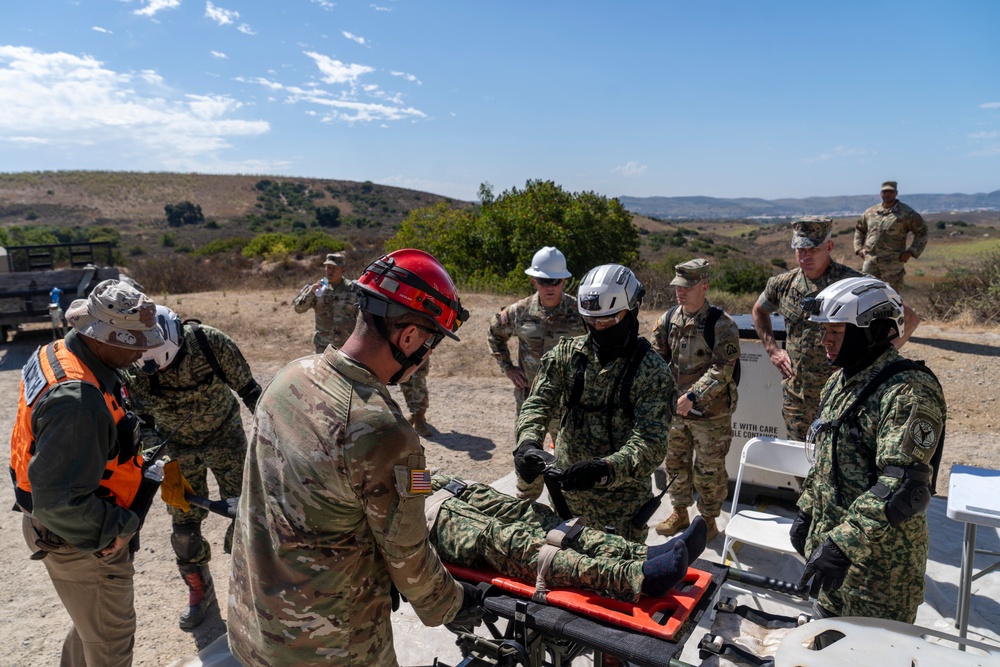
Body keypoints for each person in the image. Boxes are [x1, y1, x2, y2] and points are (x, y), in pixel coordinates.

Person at [228, 249, 481, 667]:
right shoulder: (383, 431)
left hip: (254, 625)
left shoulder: (290, 376)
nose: (428, 355)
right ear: (409, 337)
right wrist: (453, 603)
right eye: (431, 341)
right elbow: (407, 553)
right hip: (329, 647)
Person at [10, 279, 165, 667]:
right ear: (100, 336)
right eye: (134, 340)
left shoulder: (58, 351)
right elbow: (59, 501)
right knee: (110, 645)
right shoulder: (79, 402)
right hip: (80, 536)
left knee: (92, 628)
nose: (144, 348)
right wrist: (118, 527)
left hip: (61, 528)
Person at [791, 277, 945, 624]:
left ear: (871, 331)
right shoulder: (840, 381)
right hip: (835, 568)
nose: (824, 340)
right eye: (824, 329)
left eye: (836, 331)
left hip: (881, 581)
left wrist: (843, 543)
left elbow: (902, 485)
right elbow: (825, 460)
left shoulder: (908, 391)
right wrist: (805, 511)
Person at [514, 264, 676, 544]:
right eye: (592, 321)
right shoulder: (566, 355)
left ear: (632, 309)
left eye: (609, 321)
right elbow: (538, 403)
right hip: (566, 501)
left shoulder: (652, 371)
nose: (599, 328)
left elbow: (651, 443)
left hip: (622, 511)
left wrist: (606, 469)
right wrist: (528, 442)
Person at [123, 305, 262, 629]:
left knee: (247, 519)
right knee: (184, 530)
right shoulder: (136, 362)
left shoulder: (211, 343)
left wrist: (276, 439)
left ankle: (251, 590)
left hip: (226, 439)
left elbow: (251, 392)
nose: (161, 374)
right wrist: (161, 460)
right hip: (177, 449)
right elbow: (142, 422)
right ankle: (199, 590)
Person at [428, 474, 708, 601]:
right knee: (504, 538)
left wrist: (430, 482)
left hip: (426, 487)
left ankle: (639, 554)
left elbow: (400, 473)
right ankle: (634, 577)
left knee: (535, 515)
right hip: (409, 514)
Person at [752, 216, 868, 442]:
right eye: (800, 249)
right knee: (798, 465)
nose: (805, 256)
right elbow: (758, 311)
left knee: (838, 465)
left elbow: (905, 317)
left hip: (841, 396)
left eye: (813, 249)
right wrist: (772, 350)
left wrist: (867, 364)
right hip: (797, 398)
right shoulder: (783, 284)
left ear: (829, 247)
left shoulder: (852, 284)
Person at [487, 246, 586, 498]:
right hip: (529, 400)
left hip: (567, 404)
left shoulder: (580, 312)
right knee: (527, 457)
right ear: (534, 280)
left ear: (565, 280)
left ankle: (565, 511)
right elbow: (494, 333)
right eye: (543, 281)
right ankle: (528, 508)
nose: (549, 287)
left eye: (555, 281)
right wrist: (508, 367)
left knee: (569, 460)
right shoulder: (519, 311)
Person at [652, 259, 740, 542]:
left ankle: (708, 521)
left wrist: (693, 395)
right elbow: (657, 359)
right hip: (676, 412)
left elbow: (723, 368)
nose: (681, 292)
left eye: (687, 287)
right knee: (675, 464)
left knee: (709, 470)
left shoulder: (721, 324)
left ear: (704, 287)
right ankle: (680, 512)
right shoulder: (668, 320)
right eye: (678, 286)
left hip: (710, 415)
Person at [854, 181, 929, 293]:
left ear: (896, 193)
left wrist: (911, 252)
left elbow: (922, 232)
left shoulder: (906, 213)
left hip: (893, 264)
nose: (887, 194)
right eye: (885, 192)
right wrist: (859, 248)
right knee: (867, 295)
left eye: (890, 191)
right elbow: (860, 229)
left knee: (892, 297)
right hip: (870, 262)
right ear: (880, 193)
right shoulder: (870, 212)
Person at [292, 251, 359, 353]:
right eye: (328, 267)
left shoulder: (353, 290)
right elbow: (298, 309)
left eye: (334, 268)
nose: (330, 271)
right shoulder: (317, 289)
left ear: (343, 270)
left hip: (346, 345)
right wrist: (311, 292)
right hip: (323, 345)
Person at [399, 359, 433, 436]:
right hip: (400, 350)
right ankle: (414, 413)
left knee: (419, 380)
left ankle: (419, 417)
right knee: (404, 378)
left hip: (419, 350)